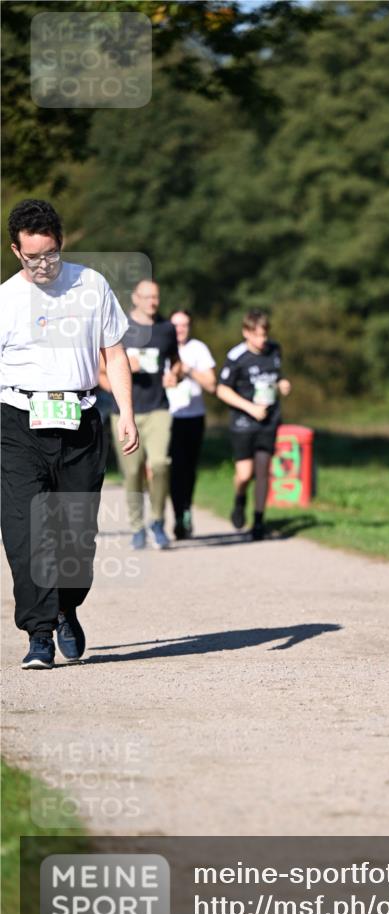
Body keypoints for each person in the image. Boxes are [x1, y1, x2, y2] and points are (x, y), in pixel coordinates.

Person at [0, 199, 138, 668]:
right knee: (26, 532)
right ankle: (38, 633)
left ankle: (65, 608)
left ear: (61, 243)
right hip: (17, 422)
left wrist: (126, 413)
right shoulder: (6, 299)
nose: (44, 264)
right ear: (16, 251)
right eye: (33, 256)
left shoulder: (91, 285)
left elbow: (115, 355)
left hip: (80, 421)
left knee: (76, 535)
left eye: (51, 254)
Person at [99, 280, 180, 550]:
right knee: (133, 472)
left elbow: (175, 361)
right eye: (147, 297)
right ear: (135, 298)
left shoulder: (167, 329)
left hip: (158, 408)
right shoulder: (120, 328)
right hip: (124, 412)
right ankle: (137, 527)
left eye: (156, 297)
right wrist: (122, 378)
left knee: (159, 464)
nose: (152, 302)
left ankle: (157, 521)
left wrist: (174, 375)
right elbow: (100, 372)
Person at [216, 309, 291, 541]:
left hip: (269, 421)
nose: (262, 340)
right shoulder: (237, 357)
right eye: (257, 335)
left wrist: (283, 384)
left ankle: (258, 521)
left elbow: (277, 377)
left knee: (263, 470)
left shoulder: (274, 350)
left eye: (265, 335)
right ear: (246, 333)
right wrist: (250, 408)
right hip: (243, 422)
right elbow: (222, 389)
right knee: (245, 474)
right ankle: (239, 499)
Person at [164, 310, 216, 539]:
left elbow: (212, 384)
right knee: (174, 468)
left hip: (194, 417)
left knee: (189, 469)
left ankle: (186, 508)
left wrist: (189, 370)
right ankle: (177, 515)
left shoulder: (198, 349)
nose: (180, 329)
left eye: (184, 325)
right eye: (176, 325)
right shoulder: (162, 347)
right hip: (168, 416)